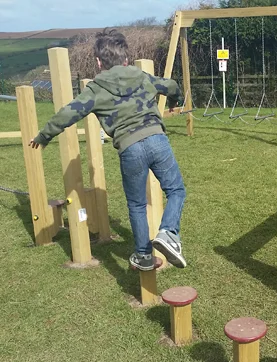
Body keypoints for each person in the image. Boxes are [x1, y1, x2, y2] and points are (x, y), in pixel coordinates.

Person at [30, 29, 187, 271]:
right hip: (157, 140)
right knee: (175, 189)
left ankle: (144, 255)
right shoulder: (141, 77)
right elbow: (171, 85)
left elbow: (68, 113)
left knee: (136, 204)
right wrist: (176, 101)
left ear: (99, 62)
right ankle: (168, 232)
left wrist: (44, 135)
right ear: (126, 59)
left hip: (129, 148)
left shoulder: (96, 89)